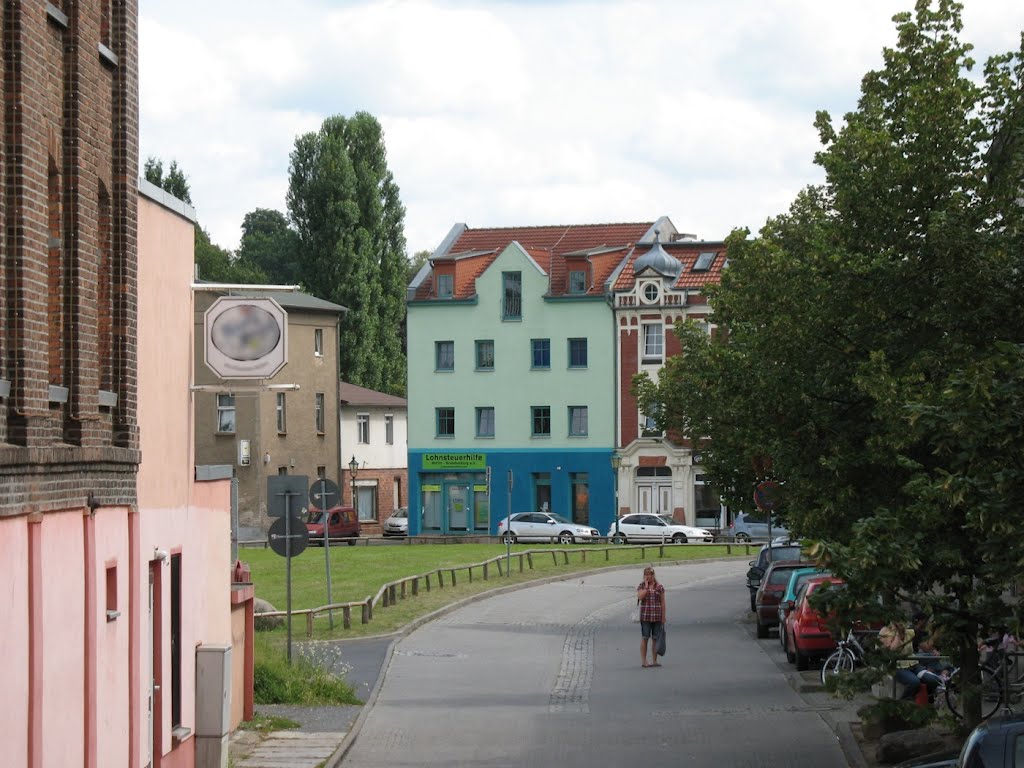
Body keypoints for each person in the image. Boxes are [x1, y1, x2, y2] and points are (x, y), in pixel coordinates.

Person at [879, 621, 921, 700]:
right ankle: (902, 703)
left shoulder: (909, 633)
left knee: (930, 678)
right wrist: (897, 634)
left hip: (913, 663)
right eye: (898, 622)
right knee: (914, 682)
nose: (901, 624)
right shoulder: (886, 633)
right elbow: (893, 649)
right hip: (896, 666)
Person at [637, 566, 666, 668]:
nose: (649, 576)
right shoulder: (641, 586)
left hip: (657, 616)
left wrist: (663, 616)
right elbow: (640, 597)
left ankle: (654, 661)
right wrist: (646, 586)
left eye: (651, 574)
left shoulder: (659, 587)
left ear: (654, 575)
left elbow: (662, 602)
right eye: (647, 574)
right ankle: (644, 661)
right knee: (645, 638)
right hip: (645, 617)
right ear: (644, 576)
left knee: (655, 639)